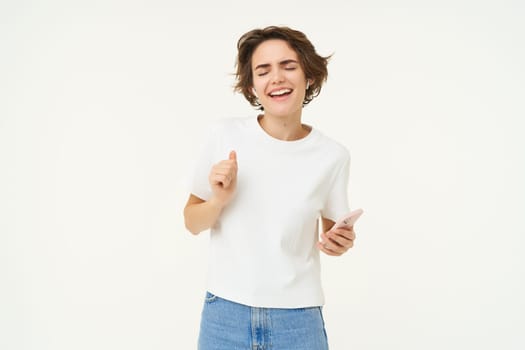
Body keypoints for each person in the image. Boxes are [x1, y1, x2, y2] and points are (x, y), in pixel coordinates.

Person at [184, 25, 357, 350]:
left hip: (298, 320)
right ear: (252, 86)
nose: (276, 78)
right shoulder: (223, 135)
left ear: (309, 76)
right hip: (225, 315)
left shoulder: (333, 156)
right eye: (263, 71)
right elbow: (192, 222)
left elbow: (333, 236)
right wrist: (219, 200)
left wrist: (340, 242)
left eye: (288, 66)